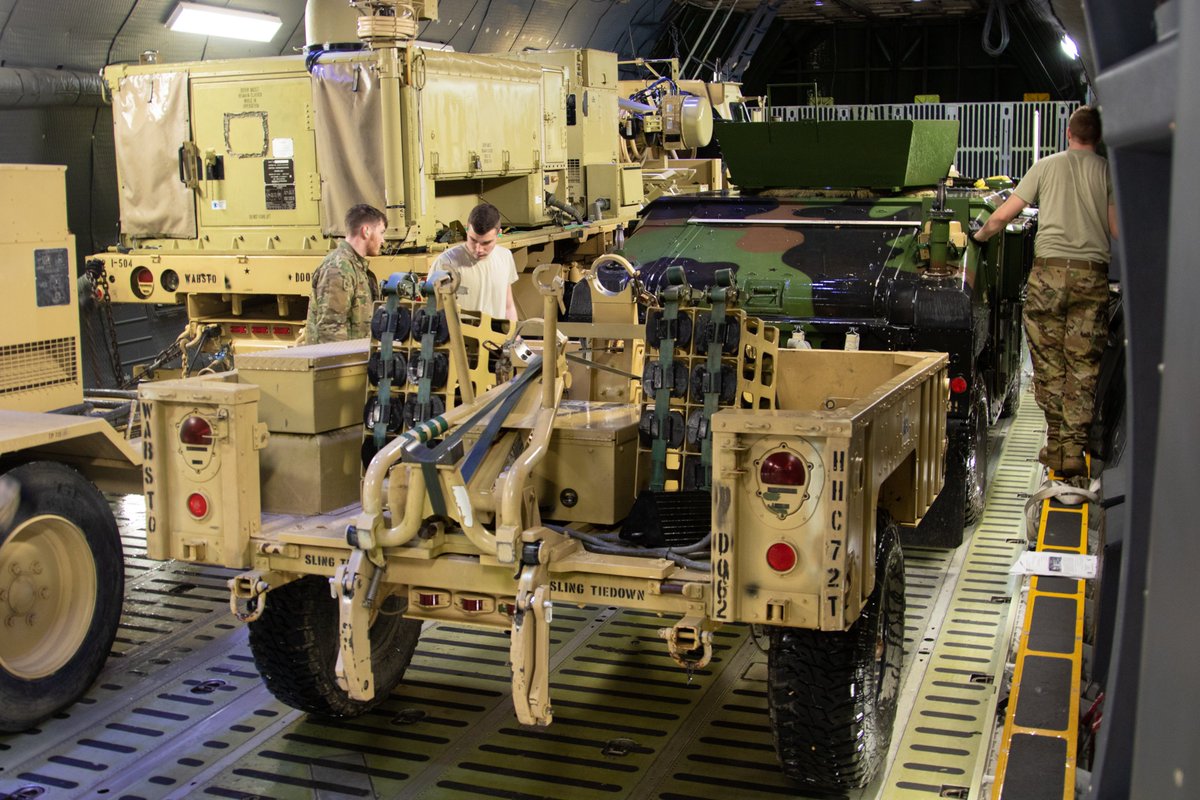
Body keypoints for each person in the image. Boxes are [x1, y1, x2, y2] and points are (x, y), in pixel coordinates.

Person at [972, 105, 1117, 482]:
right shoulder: (1107, 172)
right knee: (1083, 367)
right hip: (1091, 276)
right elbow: (1117, 229)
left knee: (1049, 364)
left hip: (1049, 276)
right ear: (1098, 138)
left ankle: (1055, 444)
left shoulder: (1047, 166)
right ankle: (1073, 449)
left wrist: (980, 236)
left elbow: (1004, 216)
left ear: (1068, 133)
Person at [304, 204, 385, 343]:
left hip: (355, 359)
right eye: (381, 232)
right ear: (366, 231)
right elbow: (330, 331)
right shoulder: (338, 268)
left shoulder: (356, 267)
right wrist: (346, 364)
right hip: (341, 361)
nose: (383, 240)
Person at [430, 202, 519, 324]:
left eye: (486, 243)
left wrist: (514, 336)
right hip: (461, 341)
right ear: (467, 229)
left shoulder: (505, 257)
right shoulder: (446, 262)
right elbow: (432, 312)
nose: (478, 249)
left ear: (499, 234)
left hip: (496, 340)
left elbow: (508, 306)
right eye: (473, 240)